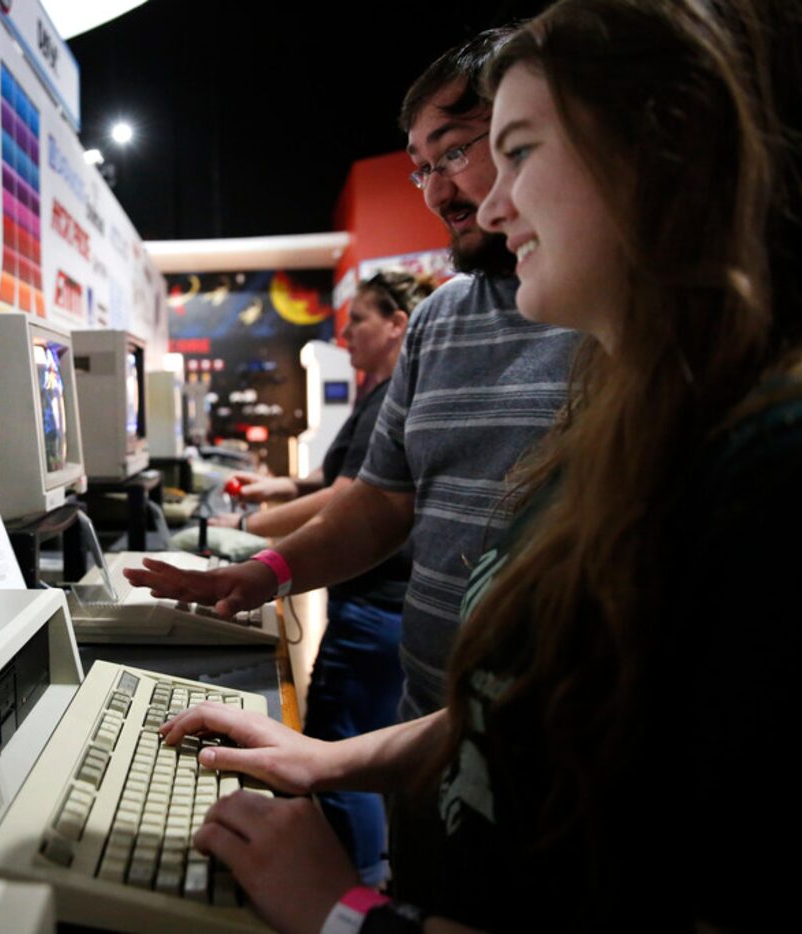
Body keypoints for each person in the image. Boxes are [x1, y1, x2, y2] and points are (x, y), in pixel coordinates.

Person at [155, 0, 802, 930]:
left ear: (670, 146)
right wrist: (328, 759)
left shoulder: (795, 465)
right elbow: (534, 702)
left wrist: (346, 916)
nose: (483, 202)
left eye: (513, 149)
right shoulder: (642, 414)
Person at [125, 27, 581, 727]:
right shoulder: (441, 320)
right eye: (421, 169)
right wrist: (264, 574)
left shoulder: (618, 317)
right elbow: (379, 504)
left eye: (456, 152)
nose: (439, 195)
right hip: (435, 724)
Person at [214, 271, 431, 885]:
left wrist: (250, 527)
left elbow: (349, 496)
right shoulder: (377, 394)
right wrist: (277, 492)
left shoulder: (391, 394)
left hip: (374, 607)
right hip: (378, 605)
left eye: (358, 318)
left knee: (338, 755)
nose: (346, 331)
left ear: (397, 324)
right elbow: (330, 481)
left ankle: (353, 882)